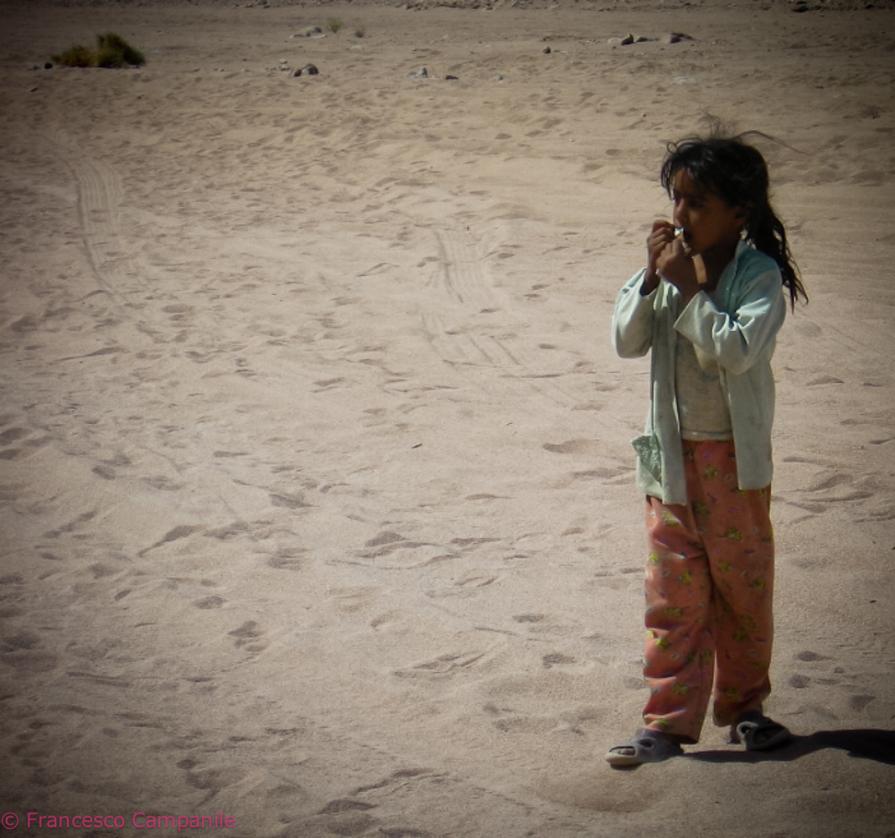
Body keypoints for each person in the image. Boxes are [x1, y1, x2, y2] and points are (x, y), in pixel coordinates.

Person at [606, 134, 808, 767]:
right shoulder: (665, 275)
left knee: (742, 591)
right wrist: (650, 276)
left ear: (740, 211)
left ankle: (746, 710)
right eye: (677, 199)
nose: (682, 215)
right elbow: (625, 340)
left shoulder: (757, 277)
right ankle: (666, 723)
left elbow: (734, 351)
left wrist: (691, 293)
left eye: (698, 203)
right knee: (673, 596)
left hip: (735, 466)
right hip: (670, 462)